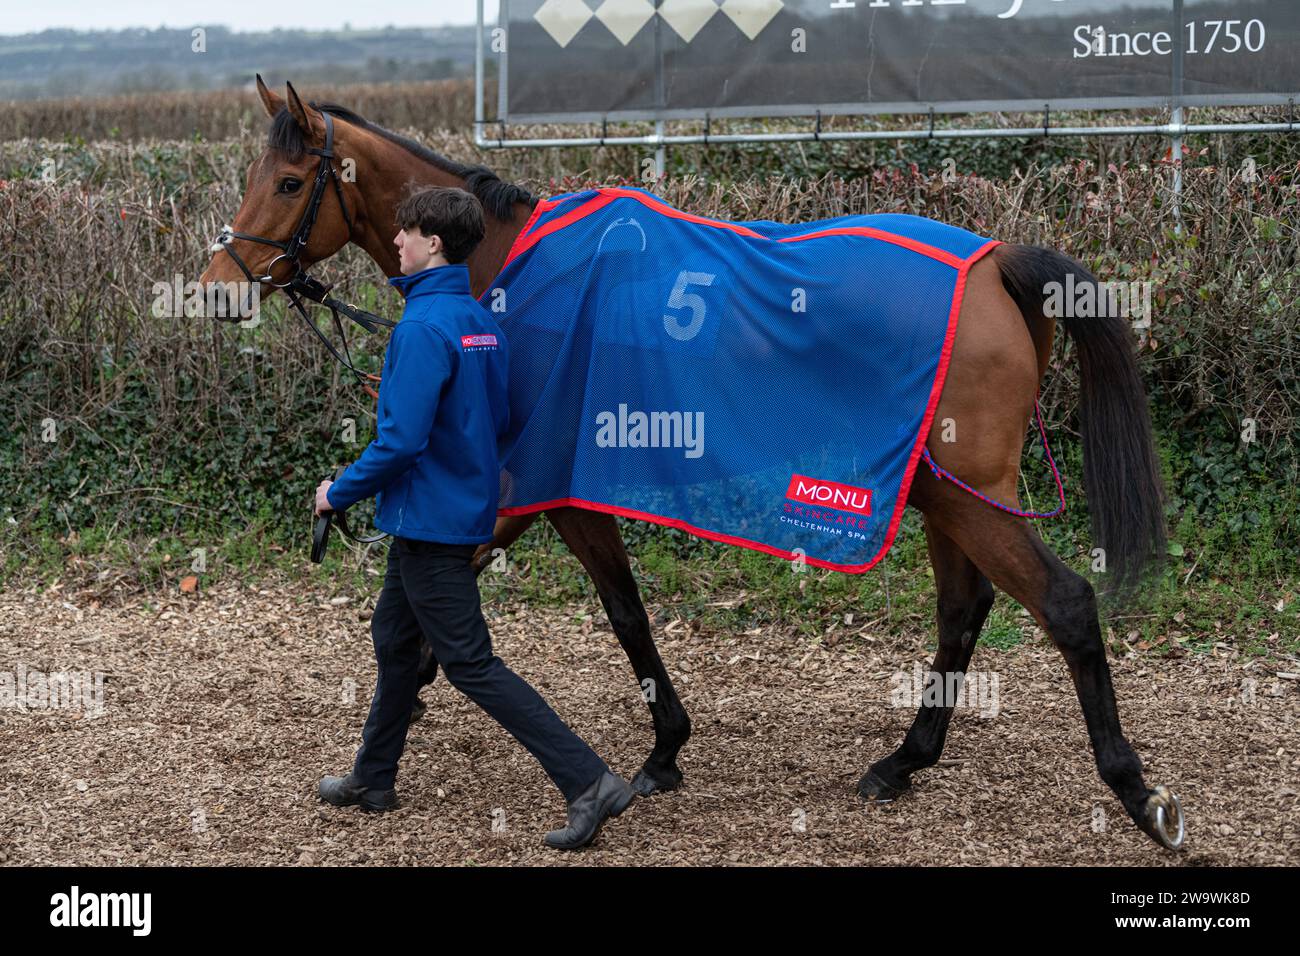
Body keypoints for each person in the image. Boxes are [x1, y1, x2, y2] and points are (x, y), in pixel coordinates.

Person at [313, 186, 634, 850]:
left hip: (432, 523)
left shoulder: (424, 329)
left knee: (471, 664)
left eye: (406, 232)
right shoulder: (481, 322)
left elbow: (400, 443)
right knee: (396, 642)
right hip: (447, 516)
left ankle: (590, 780)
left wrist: (336, 493)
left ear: (433, 243)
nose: (395, 242)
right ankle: (374, 778)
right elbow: (500, 421)